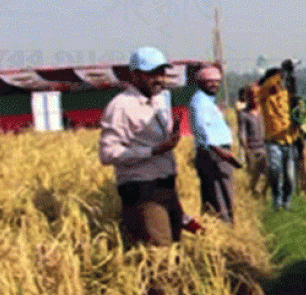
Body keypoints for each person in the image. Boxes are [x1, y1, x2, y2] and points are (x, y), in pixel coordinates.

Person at [99, 46, 191, 246]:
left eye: (162, 72)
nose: (159, 78)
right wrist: (152, 151)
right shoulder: (121, 106)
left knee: (175, 247)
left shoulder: (157, 101)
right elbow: (107, 153)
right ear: (135, 75)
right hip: (142, 191)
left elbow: (159, 144)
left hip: (166, 185)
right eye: (152, 73)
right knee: (159, 254)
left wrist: (171, 138)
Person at [188, 64, 242, 223]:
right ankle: (223, 227)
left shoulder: (206, 101)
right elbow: (202, 129)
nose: (215, 85)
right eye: (209, 82)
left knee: (221, 191)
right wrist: (220, 151)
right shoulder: (200, 102)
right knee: (218, 193)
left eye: (217, 81)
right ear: (200, 83)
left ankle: (224, 225)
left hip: (217, 152)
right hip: (214, 153)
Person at [257, 66, 300, 210]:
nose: (279, 83)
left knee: (289, 176)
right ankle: (276, 198)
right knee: (275, 170)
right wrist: (280, 73)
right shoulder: (264, 95)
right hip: (273, 142)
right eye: (278, 79)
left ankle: (286, 201)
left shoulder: (287, 95)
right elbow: (268, 84)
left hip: (289, 140)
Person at [236, 85, 266, 196]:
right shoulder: (243, 114)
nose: (254, 100)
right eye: (251, 97)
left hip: (264, 147)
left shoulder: (264, 111)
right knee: (254, 175)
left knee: (271, 172)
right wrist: (246, 150)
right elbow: (242, 133)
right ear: (247, 98)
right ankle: (252, 194)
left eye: (256, 97)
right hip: (252, 149)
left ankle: (263, 194)